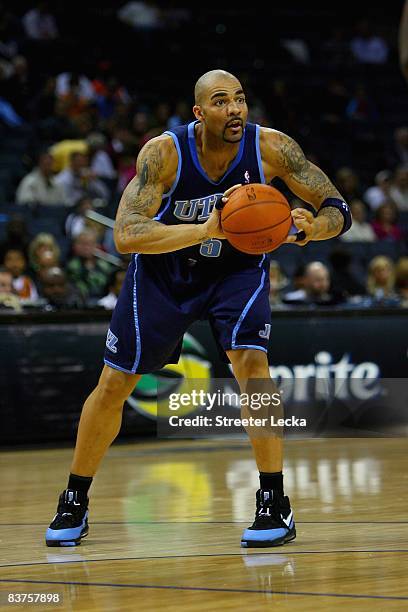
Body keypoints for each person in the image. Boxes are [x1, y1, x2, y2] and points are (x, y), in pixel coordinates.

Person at [45, 69, 351, 549]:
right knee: (113, 384)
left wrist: (311, 228)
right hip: (166, 272)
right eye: (221, 101)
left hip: (238, 270)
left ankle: (275, 500)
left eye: (240, 100)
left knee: (253, 365)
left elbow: (339, 208)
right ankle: (74, 499)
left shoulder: (271, 147)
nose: (234, 109)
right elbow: (126, 235)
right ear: (199, 112)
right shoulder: (163, 153)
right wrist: (205, 230)